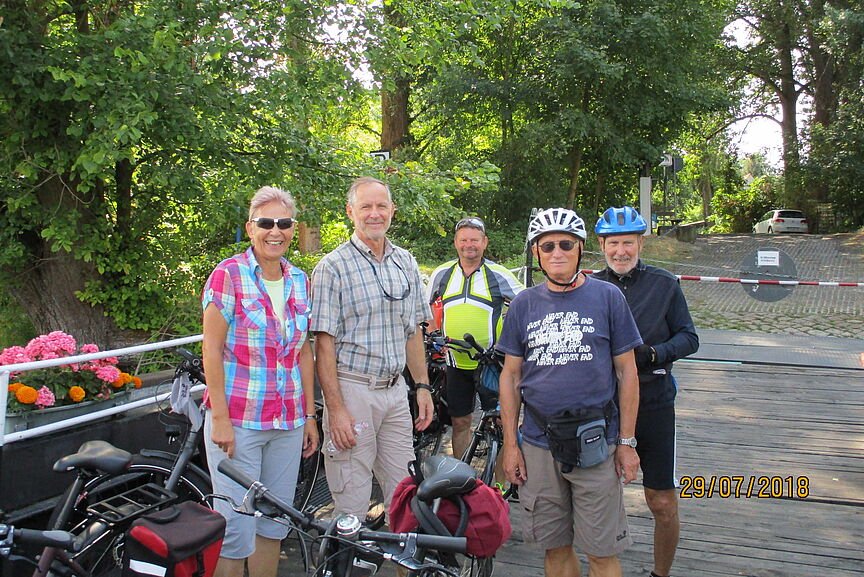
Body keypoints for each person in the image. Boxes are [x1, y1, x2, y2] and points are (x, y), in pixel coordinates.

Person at [497, 207, 642, 577]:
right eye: (547, 247)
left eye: (565, 244)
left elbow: (627, 372)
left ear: (580, 249)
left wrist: (627, 442)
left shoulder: (608, 297)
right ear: (536, 253)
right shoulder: (524, 305)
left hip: (596, 441)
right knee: (555, 548)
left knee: (602, 552)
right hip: (539, 443)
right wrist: (510, 444)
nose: (557, 253)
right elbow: (510, 377)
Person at [201, 186, 319, 577]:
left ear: (293, 228)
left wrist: (309, 417)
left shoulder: (300, 280)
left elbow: (302, 350)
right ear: (251, 228)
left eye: (284, 223)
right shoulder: (228, 275)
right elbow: (212, 350)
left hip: (286, 423)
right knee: (235, 530)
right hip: (238, 422)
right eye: (266, 223)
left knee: (273, 525)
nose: (276, 231)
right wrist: (219, 417)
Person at [310, 176, 434, 522]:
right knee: (351, 501)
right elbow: (323, 344)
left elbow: (412, 332)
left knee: (405, 498)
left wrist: (422, 386)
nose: (375, 214)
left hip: (396, 392)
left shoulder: (406, 262)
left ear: (393, 210)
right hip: (352, 392)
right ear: (351, 212)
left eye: (382, 206)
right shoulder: (332, 267)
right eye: (366, 206)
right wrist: (335, 409)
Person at [592, 206, 699, 577]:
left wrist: (655, 353)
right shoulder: (589, 286)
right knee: (596, 500)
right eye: (613, 243)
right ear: (601, 245)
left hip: (653, 399)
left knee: (661, 500)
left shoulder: (665, 283)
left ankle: (660, 573)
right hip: (603, 405)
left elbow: (689, 337)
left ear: (640, 242)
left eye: (628, 242)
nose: (621, 251)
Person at [427, 216, 524, 460]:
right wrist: (432, 333)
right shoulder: (442, 273)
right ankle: (463, 482)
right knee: (460, 422)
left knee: (502, 423)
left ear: (484, 242)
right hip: (455, 363)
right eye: (464, 240)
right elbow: (422, 308)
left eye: (474, 240)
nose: (469, 245)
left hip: (492, 364)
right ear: (456, 243)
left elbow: (527, 306)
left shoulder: (498, 274)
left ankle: (500, 488)